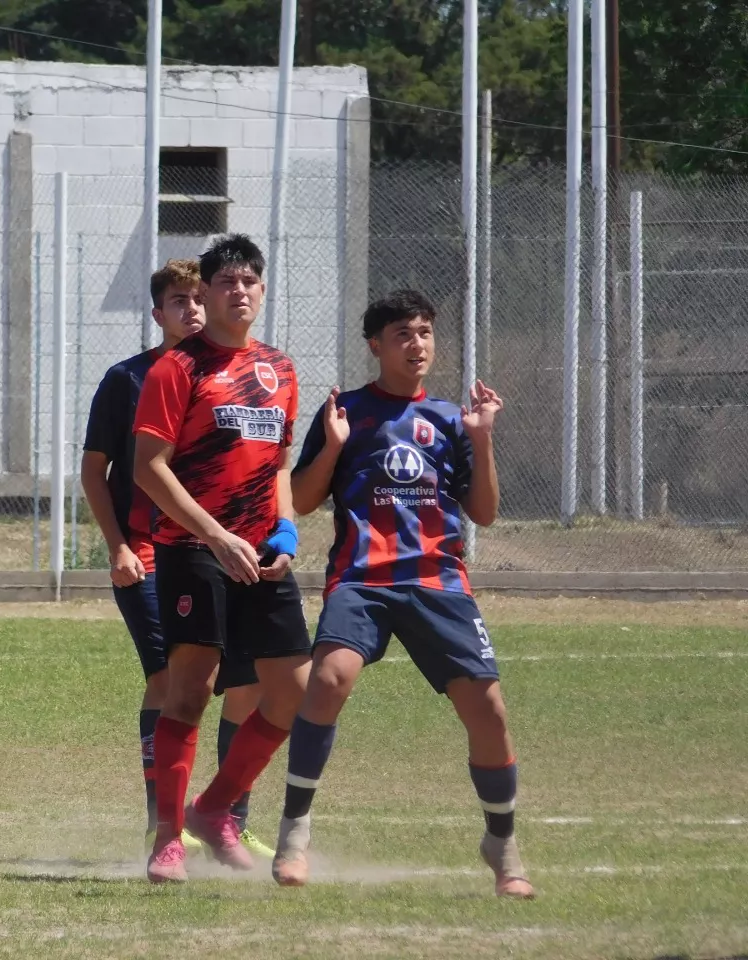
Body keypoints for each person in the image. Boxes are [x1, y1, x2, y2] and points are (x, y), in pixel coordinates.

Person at [271, 289, 535, 899]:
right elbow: (305, 500)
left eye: (424, 333)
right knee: (329, 678)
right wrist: (333, 447)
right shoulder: (346, 411)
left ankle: (502, 842)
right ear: (375, 345)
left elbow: (485, 514)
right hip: (363, 578)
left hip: (437, 581)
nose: (417, 345)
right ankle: (295, 830)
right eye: (403, 335)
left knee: (489, 710)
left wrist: (484, 436)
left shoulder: (449, 417)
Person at [133, 235, 312, 884]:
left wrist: (286, 533)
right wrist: (214, 536)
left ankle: (215, 812)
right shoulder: (178, 369)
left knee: (294, 692)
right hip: (194, 550)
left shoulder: (280, 370)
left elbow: (280, 465)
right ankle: (167, 839)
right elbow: (149, 470)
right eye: (226, 281)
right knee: (192, 693)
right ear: (205, 293)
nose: (239, 290)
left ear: (263, 292)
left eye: (250, 281)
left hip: (262, 554)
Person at [81, 259, 271, 860]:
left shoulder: (235, 374)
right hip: (147, 551)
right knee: (168, 679)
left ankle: (228, 819)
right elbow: (96, 471)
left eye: (199, 297)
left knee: (249, 682)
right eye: (179, 300)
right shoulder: (129, 379)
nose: (192, 309)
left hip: (219, 552)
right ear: (157, 312)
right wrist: (116, 547)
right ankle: (161, 821)